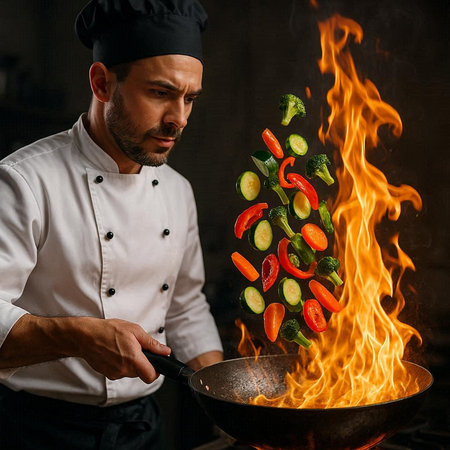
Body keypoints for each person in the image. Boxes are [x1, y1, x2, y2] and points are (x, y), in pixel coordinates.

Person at [0, 0, 223, 448]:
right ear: (102, 83)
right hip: (35, 430)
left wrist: (226, 400)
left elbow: (185, 307)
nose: (178, 119)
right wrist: (80, 337)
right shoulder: (24, 181)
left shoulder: (177, 191)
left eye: (190, 98)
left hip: (143, 428)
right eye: (160, 93)